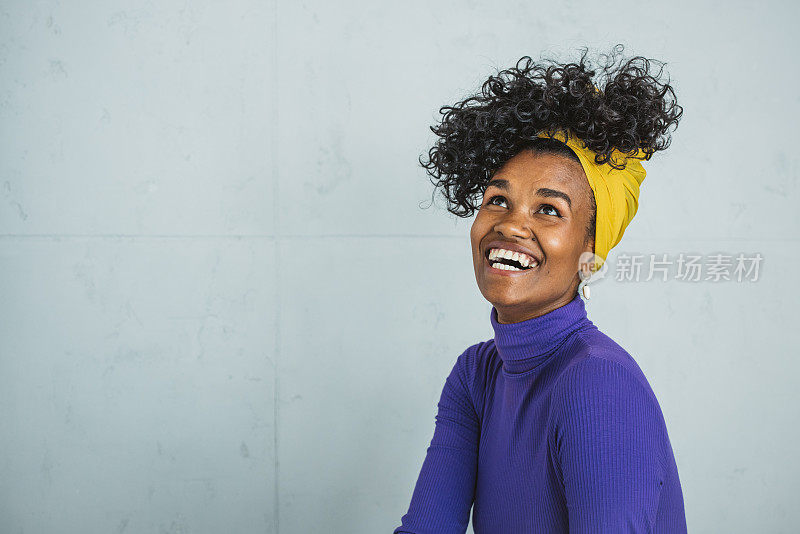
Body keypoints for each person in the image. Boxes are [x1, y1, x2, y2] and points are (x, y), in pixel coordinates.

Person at [394, 45, 686, 533]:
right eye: (498, 200)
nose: (510, 225)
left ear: (590, 251)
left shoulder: (596, 382)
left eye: (548, 209)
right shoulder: (476, 375)